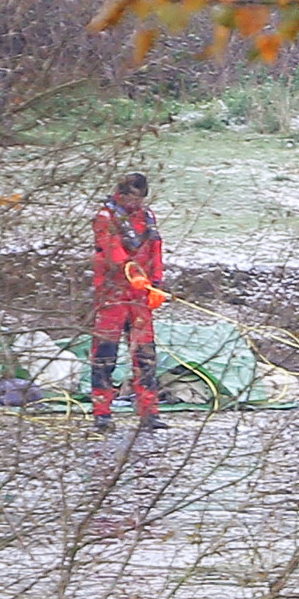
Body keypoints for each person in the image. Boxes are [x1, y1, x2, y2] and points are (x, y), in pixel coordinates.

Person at [90, 172, 169, 432]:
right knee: (105, 355)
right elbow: (112, 252)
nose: (137, 204)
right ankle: (102, 413)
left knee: (145, 356)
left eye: (141, 199)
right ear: (122, 194)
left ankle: (149, 412)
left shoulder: (147, 217)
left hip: (140, 298)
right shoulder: (106, 217)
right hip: (112, 295)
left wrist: (156, 282)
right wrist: (133, 273)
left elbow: (156, 248)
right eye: (133, 197)